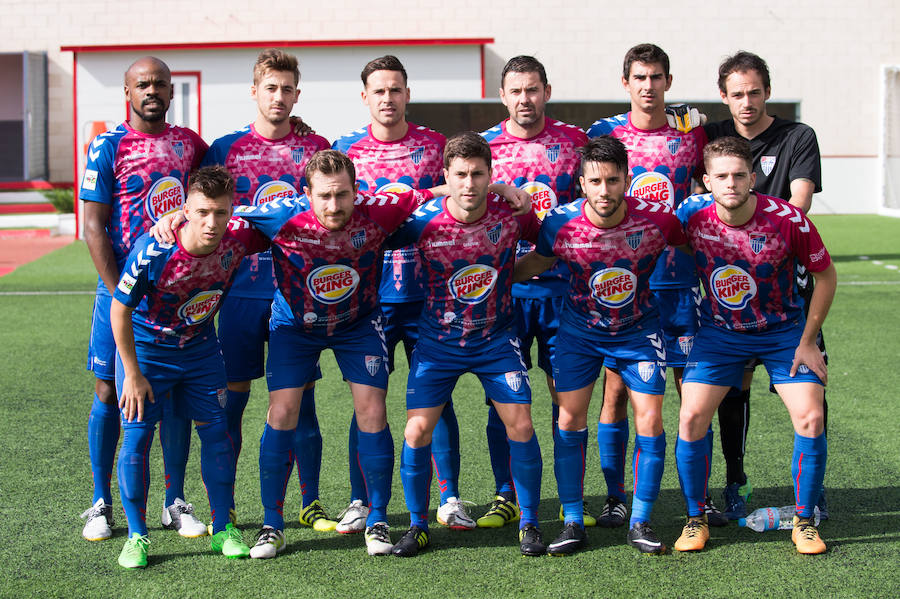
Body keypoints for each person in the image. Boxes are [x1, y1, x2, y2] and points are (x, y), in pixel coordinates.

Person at [515, 136, 686, 556]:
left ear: (627, 179)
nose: (605, 190)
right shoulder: (558, 223)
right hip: (578, 333)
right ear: (582, 183)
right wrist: (490, 280)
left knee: (650, 421)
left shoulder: (659, 221)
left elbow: (692, 249)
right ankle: (573, 520)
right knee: (569, 420)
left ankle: (641, 520)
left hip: (638, 332)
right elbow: (535, 263)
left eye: (613, 180)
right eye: (596, 181)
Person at [672, 136, 835, 555]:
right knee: (690, 418)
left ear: (753, 177)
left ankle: (805, 521)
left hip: (784, 333)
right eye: (721, 176)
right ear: (706, 180)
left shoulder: (788, 220)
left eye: (739, 175)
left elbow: (826, 276)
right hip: (720, 334)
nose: (731, 183)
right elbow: (667, 242)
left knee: (811, 418)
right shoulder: (690, 214)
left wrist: (808, 341)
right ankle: (695, 520)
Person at [386, 132, 546, 558]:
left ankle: (529, 522)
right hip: (438, 343)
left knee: (523, 426)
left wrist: (509, 276)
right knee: (416, 430)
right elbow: (372, 235)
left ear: (491, 175)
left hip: (496, 339)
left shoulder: (510, 214)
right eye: (460, 174)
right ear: (446, 176)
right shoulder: (423, 219)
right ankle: (418, 526)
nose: (470, 183)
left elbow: (549, 246)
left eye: (479, 174)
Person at [332, 56, 471, 532]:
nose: (387, 99)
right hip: (368, 298)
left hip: (431, 295)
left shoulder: (436, 146)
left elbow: (467, 191)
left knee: (437, 397)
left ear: (407, 94)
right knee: (367, 400)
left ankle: (449, 497)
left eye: (396, 90)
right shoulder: (345, 149)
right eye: (379, 91)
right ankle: (360, 498)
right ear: (365, 96)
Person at [586, 43, 721, 527]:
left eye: (657, 77)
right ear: (626, 83)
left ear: (668, 81)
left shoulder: (692, 132)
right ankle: (616, 495)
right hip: (624, 287)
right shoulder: (603, 134)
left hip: (680, 283)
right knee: (617, 392)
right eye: (639, 78)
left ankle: (696, 500)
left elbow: (714, 181)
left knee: (692, 393)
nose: (648, 86)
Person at [201, 49, 334, 532]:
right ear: (254, 91)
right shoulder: (225, 149)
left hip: (295, 295)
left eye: (287, 89)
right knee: (231, 402)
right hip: (236, 294)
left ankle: (310, 501)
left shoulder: (315, 146)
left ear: (298, 94)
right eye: (270, 88)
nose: (278, 97)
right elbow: (201, 203)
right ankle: (226, 506)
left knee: (303, 403)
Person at [79, 56, 208, 542]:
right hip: (122, 290)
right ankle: (100, 501)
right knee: (110, 390)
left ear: (172, 92)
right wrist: (119, 294)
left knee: (174, 393)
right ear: (127, 92)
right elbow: (93, 225)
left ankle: (174, 501)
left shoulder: (190, 145)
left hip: (180, 293)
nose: (151, 90)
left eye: (160, 84)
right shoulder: (108, 147)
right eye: (142, 84)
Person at [110, 165, 266, 567]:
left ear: (232, 210)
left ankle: (224, 530)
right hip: (148, 353)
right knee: (138, 439)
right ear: (185, 210)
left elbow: (288, 212)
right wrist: (131, 373)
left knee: (217, 434)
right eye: (201, 212)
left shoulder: (239, 238)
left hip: (200, 351)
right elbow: (118, 311)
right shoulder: (155, 250)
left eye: (220, 212)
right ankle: (137, 536)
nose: (211, 223)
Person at [703, 51, 827, 520]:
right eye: (737, 94)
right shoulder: (712, 136)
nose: (747, 101)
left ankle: (814, 493)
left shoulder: (797, 136)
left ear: (768, 91)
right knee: (733, 388)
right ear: (723, 97)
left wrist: (751, 222)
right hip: (729, 288)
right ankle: (736, 479)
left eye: (755, 91)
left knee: (809, 384)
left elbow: (798, 204)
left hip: (786, 287)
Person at [479, 55, 592, 529]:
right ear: (502, 96)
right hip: (505, 292)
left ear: (547, 90)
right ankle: (506, 495)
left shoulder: (577, 142)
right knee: (503, 397)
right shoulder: (484, 148)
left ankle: (571, 499)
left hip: (566, 289)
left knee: (566, 396)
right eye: (515, 91)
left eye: (532, 89)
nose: (524, 99)